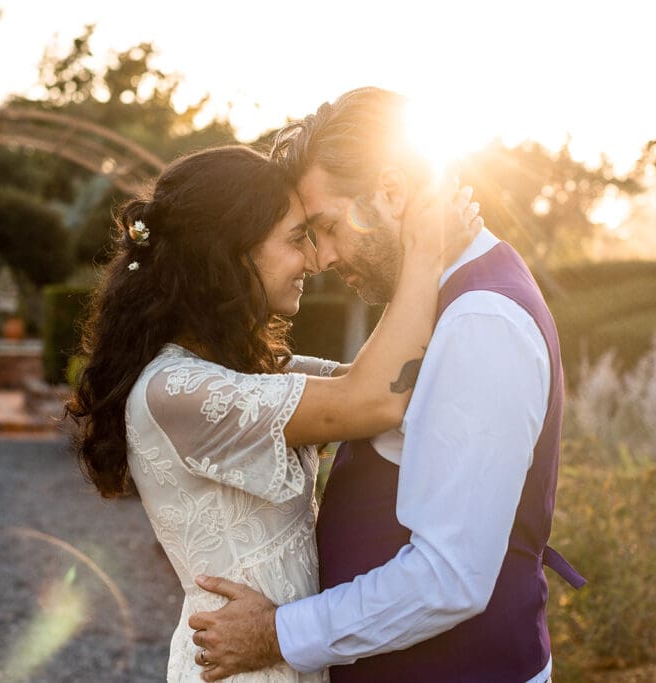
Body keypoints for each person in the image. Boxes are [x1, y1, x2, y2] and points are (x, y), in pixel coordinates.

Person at [188, 88, 585, 682]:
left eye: (325, 227)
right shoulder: (438, 302)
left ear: (393, 193)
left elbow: (448, 577)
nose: (319, 259)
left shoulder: (480, 321)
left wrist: (277, 634)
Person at [66, 144, 480, 681]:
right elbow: (372, 399)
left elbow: (382, 378)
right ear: (231, 252)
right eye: (294, 239)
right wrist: (424, 254)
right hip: (240, 666)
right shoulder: (175, 389)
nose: (312, 259)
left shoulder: (246, 368)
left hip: (280, 650)